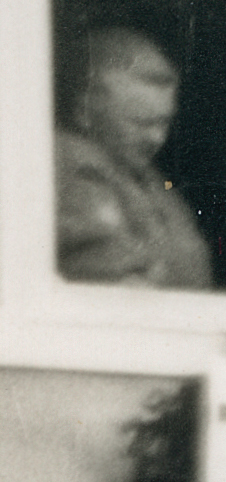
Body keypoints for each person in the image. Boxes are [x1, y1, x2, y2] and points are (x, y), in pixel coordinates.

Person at [55, 28, 212, 289]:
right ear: (84, 112)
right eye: (140, 123)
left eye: (163, 122)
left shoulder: (151, 183)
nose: (156, 138)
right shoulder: (67, 167)